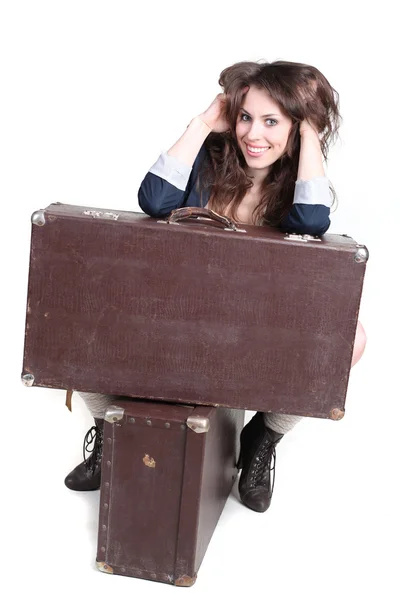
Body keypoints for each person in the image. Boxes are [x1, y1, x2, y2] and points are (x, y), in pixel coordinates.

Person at [65, 60, 367, 513]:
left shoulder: (300, 185)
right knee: (76, 310)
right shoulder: (210, 159)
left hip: (251, 324)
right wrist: (204, 123)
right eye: (246, 117)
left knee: (352, 339)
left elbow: (311, 222)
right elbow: (154, 200)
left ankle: (264, 439)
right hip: (177, 309)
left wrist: (309, 137)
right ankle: (111, 433)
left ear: (298, 127)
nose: (253, 134)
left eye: (272, 121)